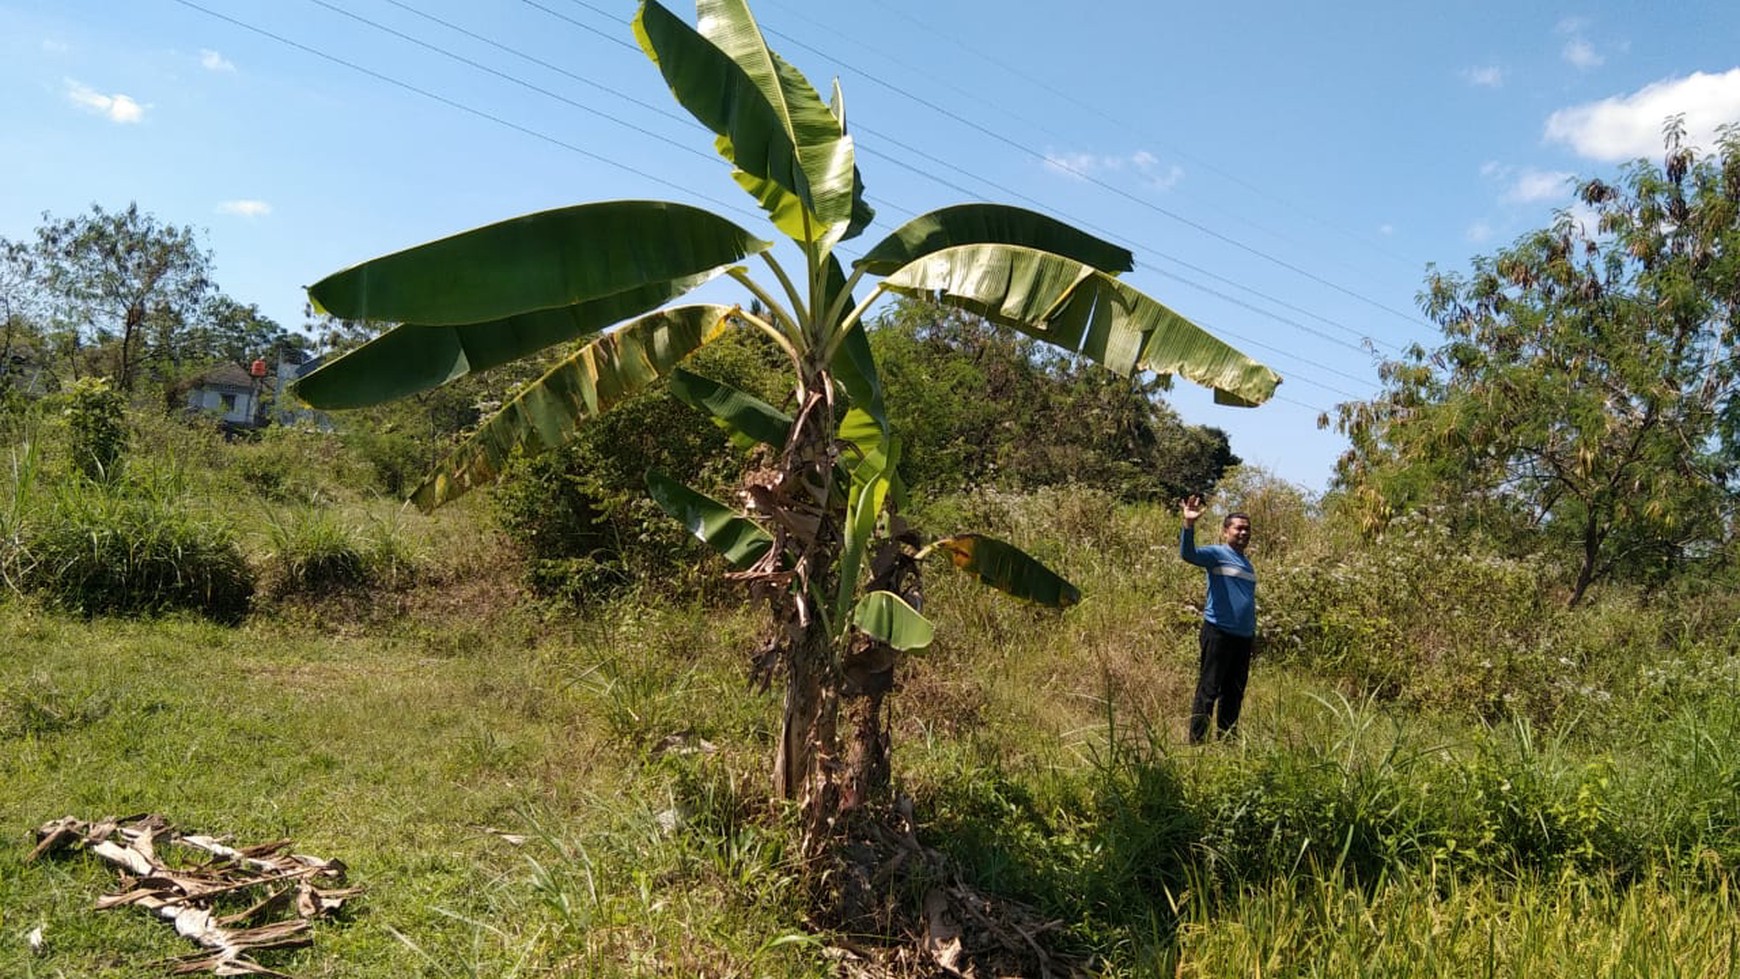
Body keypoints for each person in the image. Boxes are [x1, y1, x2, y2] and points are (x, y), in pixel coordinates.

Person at [1178, 494, 1255, 743]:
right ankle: (1197, 745)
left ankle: (1227, 744)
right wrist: (1189, 524)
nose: (1243, 532)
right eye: (1238, 528)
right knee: (1208, 690)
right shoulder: (1216, 554)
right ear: (1225, 532)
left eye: (1247, 529)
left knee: (1233, 694)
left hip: (1243, 638)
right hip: (1218, 632)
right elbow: (1188, 554)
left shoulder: (1247, 565)